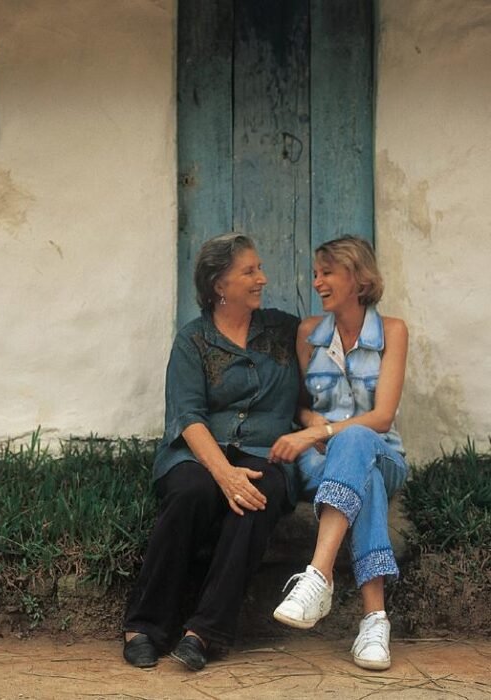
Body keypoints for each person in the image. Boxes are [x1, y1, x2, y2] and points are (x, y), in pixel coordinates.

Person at [122, 232, 300, 671]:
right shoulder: (192, 341)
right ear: (219, 283)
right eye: (250, 270)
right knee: (191, 493)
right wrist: (224, 474)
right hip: (197, 453)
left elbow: (340, 329)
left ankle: (204, 632)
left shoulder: (285, 329)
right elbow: (188, 416)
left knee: (257, 499)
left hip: (265, 451)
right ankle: (145, 625)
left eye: (259, 268)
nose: (262, 277)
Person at [269, 235, 408, 671]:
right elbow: (301, 404)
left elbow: (382, 418)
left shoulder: (392, 332)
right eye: (315, 273)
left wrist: (320, 432)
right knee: (360, 478)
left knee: (357, 443)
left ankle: (318, 575)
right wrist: (313, 425)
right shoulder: (309, 333)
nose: (317, 282)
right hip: (322, 462)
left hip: (383, 455)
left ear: (358, 278)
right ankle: (374, 621)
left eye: (327, 273)